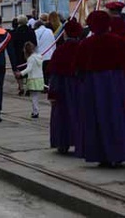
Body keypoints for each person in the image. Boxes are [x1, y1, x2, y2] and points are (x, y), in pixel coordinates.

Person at [75, 10, 125, 167]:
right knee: (117, 118)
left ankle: (101, 155)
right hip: (117, 85)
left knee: (97, 119)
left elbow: (79, 69)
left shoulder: (86, 44)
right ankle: (119, 153)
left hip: (93, 86)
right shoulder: (118, 41)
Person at [48, 18, 83, 155]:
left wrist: (52, 93)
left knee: (63, 116)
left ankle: (62, 143)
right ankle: (81, 142)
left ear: (65, 33)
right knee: (80, 116)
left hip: (63, 88)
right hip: (80, 87)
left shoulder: (60, 51)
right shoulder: (83, 48)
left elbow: (54, 74)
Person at [9, 15, 37, 96]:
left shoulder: (15, 32)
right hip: (29, 53)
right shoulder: (31, 31)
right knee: (29, 70)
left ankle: (21, 87)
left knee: (19, 70)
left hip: (18, 54)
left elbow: (12, 44)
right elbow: (35, 42)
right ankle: (28, 88)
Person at [16, 42, 44, 119]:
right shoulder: (39, 57)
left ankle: (35, 112)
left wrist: (20, 73)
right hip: (40, 79)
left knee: (34, 97)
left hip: (33, 79)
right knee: (37, 97)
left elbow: (29, 69)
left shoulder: (30, 59)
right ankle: (36, 110)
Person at [34, 19, 55, 89]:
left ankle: (44, 86)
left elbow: (36, 44)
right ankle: (49, 85)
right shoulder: (50, 31)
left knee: (42, 73)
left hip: (41, 55)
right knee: (49, 73)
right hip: (50, 55)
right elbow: (53, 42)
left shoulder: (36, 32)